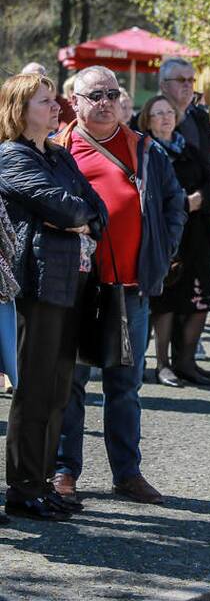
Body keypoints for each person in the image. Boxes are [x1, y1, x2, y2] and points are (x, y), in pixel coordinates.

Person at [53, 65, 186, 506]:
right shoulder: (56, 149)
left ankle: (127, 474)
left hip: (130, 288)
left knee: (124, 386)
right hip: (72, 291)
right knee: (70, 383)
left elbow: (174, 205)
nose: (106, 101)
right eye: (95, 95)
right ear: (74, 101)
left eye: (112, 93)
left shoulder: (145, 149)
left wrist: (162, 252)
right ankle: (63, 471)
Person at [0, 73, 106, 521]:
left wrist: (77, 218)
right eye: (45, 102)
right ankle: (23, 489)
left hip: (72, 282)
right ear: (21, 109)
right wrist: (74, 216)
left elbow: (94, 208)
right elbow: (66, 206)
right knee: (35, 389)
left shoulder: (60, 155)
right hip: (37, 286)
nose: (56, 108)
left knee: (61, 389)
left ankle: (43, 483)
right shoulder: (10, 156)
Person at [137, 95, 210, 387]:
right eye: (158, 113)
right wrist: (182, 203)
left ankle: (187, 361)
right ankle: (163, 364)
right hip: (167, 235)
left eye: (169, 112)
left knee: (199, 299)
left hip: (197, 234)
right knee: (165, 301)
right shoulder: (144, 151)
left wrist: (200, 199)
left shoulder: (190, 149)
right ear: (147, 119)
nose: (165, 117)